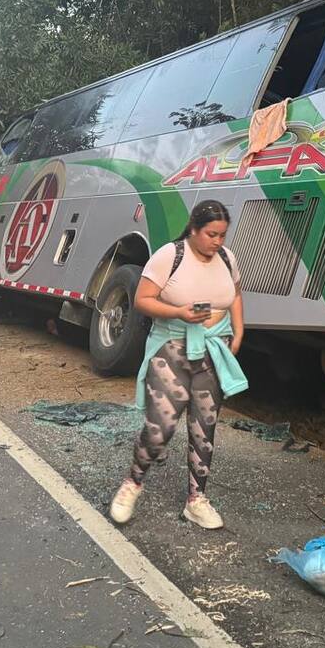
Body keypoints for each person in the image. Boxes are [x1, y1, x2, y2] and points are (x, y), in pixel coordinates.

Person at [108, 200, 247, 531]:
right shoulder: (170, 256)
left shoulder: (227, 258)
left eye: (222, 235)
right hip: (173, 347)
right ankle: (132, 484)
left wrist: (239, 331)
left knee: (204, 428)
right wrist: (180, 312)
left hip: (214, 349)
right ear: (194, 229)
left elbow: (236, 295)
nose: (218, 242)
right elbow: (142, 300)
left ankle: (196, 501)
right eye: (211, 234)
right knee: (160, 428)